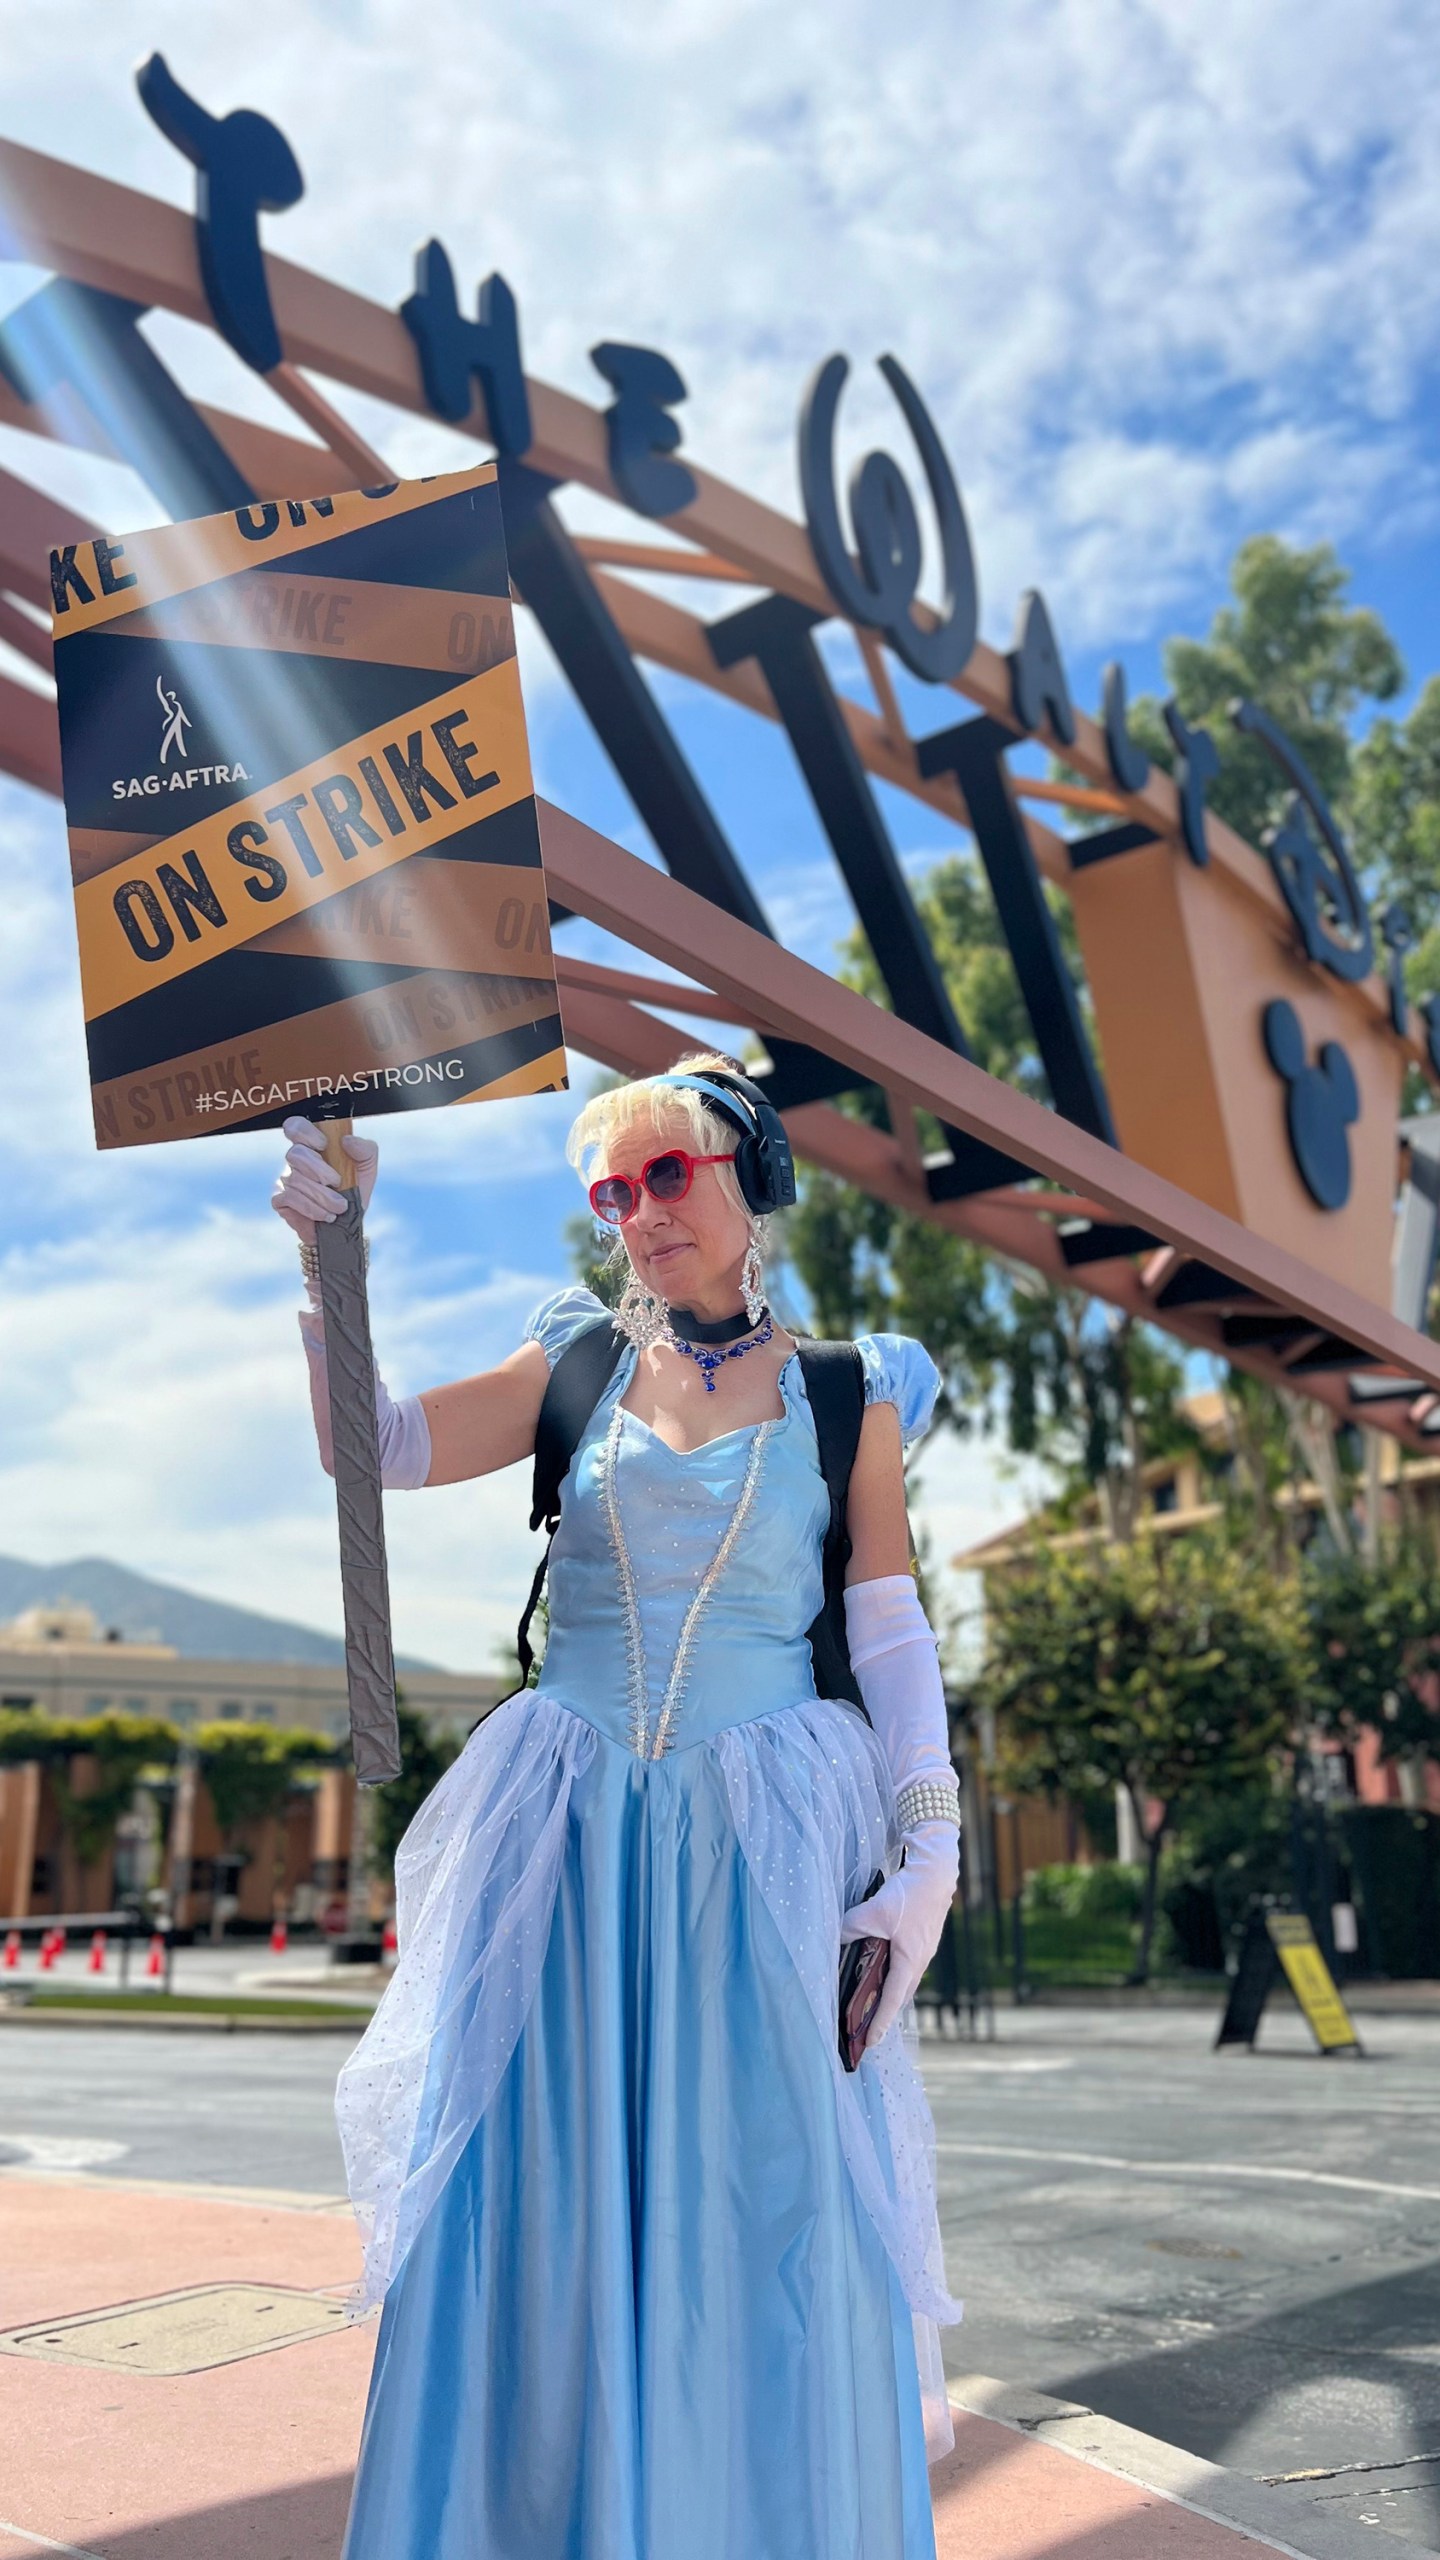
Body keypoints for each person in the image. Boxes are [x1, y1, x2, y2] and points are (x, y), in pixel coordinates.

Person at [273, 1054, 962, 2560]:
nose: (637, 1213)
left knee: (764, 2211)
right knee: (533, 2207)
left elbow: (893, 1632)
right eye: (610, 1189)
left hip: (762, 1859)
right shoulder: (576, 1363)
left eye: (667, 1176)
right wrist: (334, 1260)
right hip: (569, 1852)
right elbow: (371, 1447)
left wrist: (932, 1851)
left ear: (751, 1180)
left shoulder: (850, 1392)